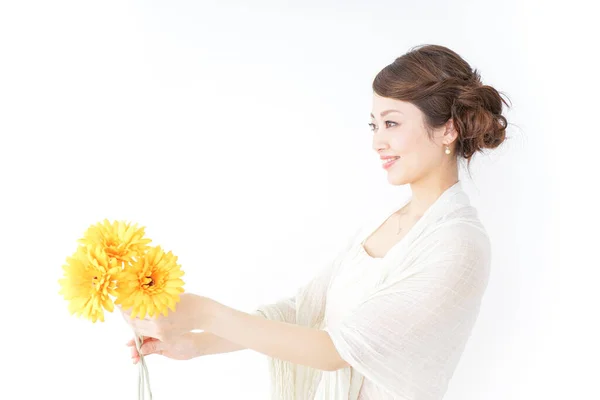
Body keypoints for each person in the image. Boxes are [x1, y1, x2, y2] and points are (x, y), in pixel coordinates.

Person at [123, 44, 510, 399]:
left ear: (448, 128)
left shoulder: (458, 243)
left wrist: (203, 311)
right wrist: (196, 343)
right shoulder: (388, 220)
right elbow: (301, 312)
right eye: (374, 125)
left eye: (391, 123)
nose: (377, 142)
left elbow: (335, 350)